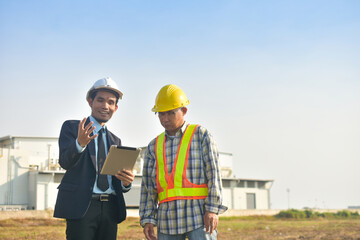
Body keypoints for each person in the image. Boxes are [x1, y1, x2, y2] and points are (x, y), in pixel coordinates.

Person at [139, 84, 227, 240]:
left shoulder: (201, 135)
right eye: (161, 114)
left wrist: (213, 209)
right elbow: (148, 188)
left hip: (199, 217)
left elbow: (214, 175)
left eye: (170, 113)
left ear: (184, 111)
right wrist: (148, 219)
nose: (165, 119)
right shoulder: (154, 146)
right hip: (167, 222)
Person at [53, 77, 135, 240]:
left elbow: (116, 180)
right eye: (100, 100)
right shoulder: (72, 128)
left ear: (116, 108)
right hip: (82, 206)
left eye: (111, 102)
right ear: (90, 101)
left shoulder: (115, 141)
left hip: (110, 209)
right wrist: (79, 144)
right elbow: (65, 162)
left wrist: (126, 183)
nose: (105, 106)